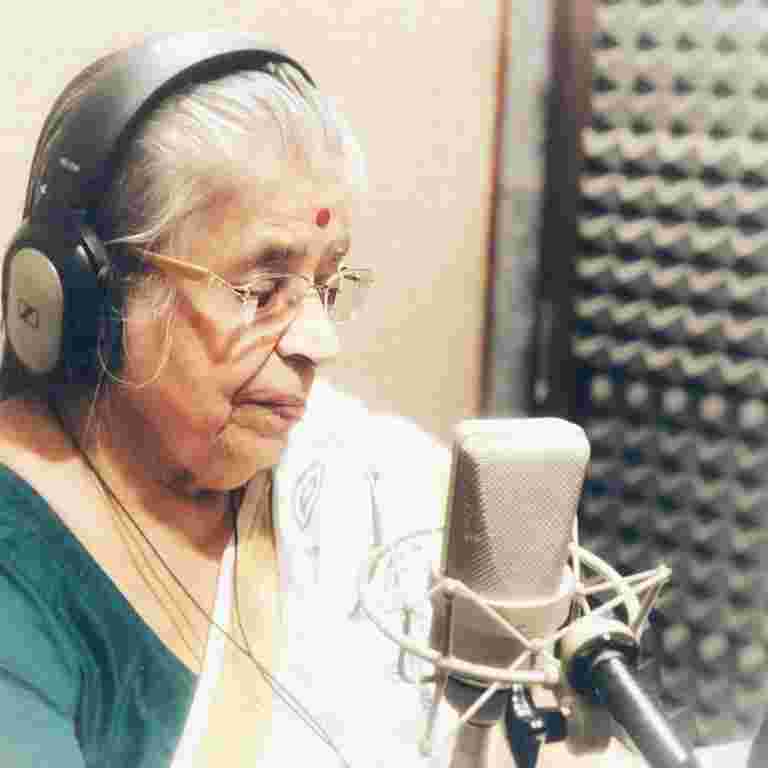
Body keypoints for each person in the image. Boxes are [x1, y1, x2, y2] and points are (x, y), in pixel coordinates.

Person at [0, 30, 453, 768]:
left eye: (326, 286)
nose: (319, 341)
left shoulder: (356, 479)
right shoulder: (17, 562)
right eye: (260, 290)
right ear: (91, 297)